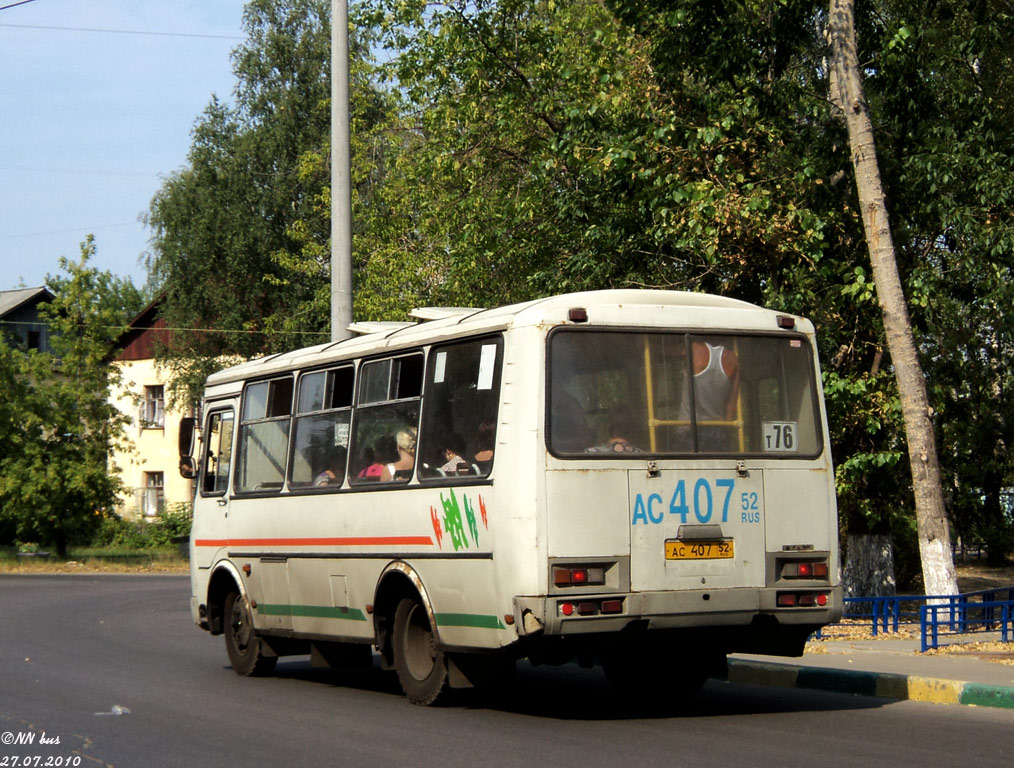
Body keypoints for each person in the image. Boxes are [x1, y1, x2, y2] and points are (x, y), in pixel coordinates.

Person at [679, 339, 740, 451]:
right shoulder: (733, 359)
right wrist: (727, 433)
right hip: (719, 432)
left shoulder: (693, 349)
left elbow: (659, 351)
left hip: (689, 430)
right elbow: (731, 406)